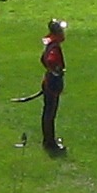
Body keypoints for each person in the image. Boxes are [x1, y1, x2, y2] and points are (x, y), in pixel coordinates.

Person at [40, 18, 68, 153]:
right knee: (50, 112)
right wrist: (56, 71)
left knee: (48, 111)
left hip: (49, 79)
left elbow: (42, 59)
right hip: (53, 82)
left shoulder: (50, 43)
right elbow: (50, 60)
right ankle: (50, 142)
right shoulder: (54, 46)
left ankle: (48, 139)